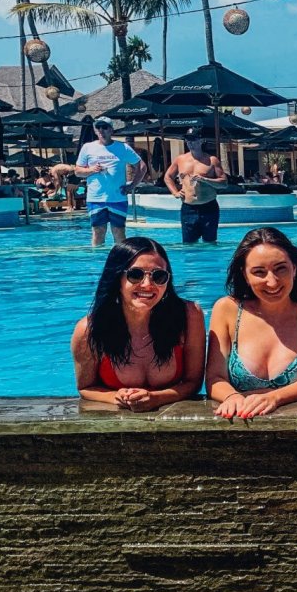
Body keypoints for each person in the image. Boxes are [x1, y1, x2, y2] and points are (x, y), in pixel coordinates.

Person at [70, 237, 205, 411]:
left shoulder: (189, 316)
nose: (148, 285)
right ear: (117, 278)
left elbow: (193, 382)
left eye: (159, 276)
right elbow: (85, 388)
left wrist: (156, 399)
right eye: (135, 275)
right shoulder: (89, 329)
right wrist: (115, 397)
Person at [206, 227, 297, 418]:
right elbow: (214, 377)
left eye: (281, 269)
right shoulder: (227, 310)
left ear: (294, 268)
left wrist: (274, 398)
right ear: (245, 275)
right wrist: (232, 397)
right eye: (259, 272)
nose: (272, 282)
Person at [61, 117, 144, 247]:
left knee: (119, 232)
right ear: (95, 130)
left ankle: (119, 262)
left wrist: (132, 185)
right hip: (95, 198)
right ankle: (98, 262)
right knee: (98, 232)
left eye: (104, 127)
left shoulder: (123, 148)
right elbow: (77, 171)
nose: (101, 130)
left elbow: (141, 166)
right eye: (98, 127)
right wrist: (92, 170)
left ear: (111, 130)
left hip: (117, 198)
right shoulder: (87, 147)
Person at [164, 128, 227, 244]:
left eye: (193, 140)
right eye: (188, 140)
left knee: (210, 244)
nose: (190, 143)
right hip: (188, 208)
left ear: (202, 140)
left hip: (209, 207)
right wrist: (175, 192)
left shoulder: (212, 160)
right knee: (188, 244)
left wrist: (205, 179)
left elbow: (224, 183)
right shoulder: (180, 159)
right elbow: (168, 177)